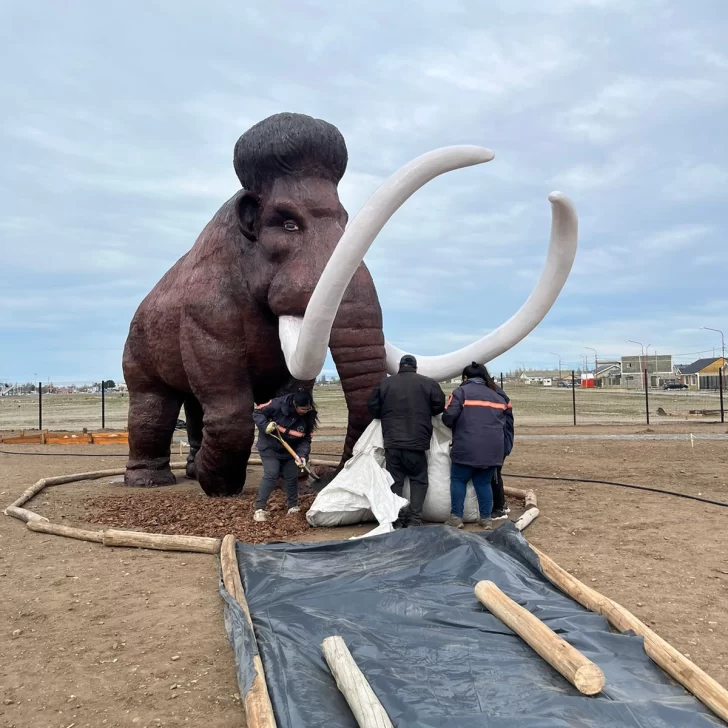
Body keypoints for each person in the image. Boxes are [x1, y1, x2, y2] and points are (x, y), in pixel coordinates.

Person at [367, 354, 446, 527]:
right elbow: (438, 406)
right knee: (419, 480)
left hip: (392, 442)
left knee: (395, 480)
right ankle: (415, 519)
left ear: (399, 367)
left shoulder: (385, 384)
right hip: (417, 442)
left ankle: (397, 518)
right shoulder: (428, 383)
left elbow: (373, 407)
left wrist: (385, 413)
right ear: (415, 367)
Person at [442, 362, 513, 530]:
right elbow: (508, 423)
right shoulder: (499, 396)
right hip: (493, 450)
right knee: (483, 483)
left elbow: (448, 417)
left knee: (458, 480)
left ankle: (456, 517)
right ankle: (486, 519)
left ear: (465, 378)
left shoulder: (461, 392)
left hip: (466, 447)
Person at [252, 389, 318, 522]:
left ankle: (292, 507)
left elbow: (305, 439)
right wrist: (265, 426)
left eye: (307, 409)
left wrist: (302, 456)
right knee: (272, 473)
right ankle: (259, 509)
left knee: (291, 475)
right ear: (294, 404)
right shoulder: (277, 405)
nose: (304, 412)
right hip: (270, 447)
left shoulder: (308, 416)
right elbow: (257, 413)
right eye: (302, 409)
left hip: (290, 450)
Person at [490, 382, 514, 520]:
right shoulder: (499, 393)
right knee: (495, 473)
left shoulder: (496, 396)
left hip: (499, 441)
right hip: (502, 440)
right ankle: (501, 504)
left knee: (493, 474)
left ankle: (498, 508)